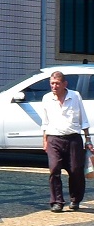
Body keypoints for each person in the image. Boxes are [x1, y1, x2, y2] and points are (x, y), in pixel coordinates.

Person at [38, 69, 89, 213]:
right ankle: (57, 202)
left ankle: (75, 199)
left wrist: (88, 139)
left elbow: (83, 119)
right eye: (52, 83)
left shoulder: (75, 96)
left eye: (57, 83)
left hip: (73, 138)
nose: (54, 86)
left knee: (75, 170)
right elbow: (45, 122)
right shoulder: (47, 98)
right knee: (54, 169)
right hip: (54, 138)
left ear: (64, 84)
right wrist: (45, 140)